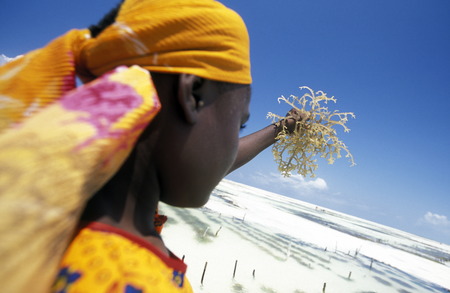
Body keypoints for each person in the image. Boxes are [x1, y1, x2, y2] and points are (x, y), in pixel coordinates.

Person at [0, 0, 300, 292]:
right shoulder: (127, 279)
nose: (231, 146)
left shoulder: (59, 206)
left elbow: (207, 157)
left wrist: (279, 130)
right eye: (239, 124)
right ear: (193, 93)